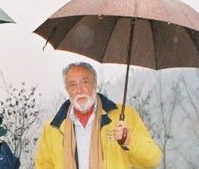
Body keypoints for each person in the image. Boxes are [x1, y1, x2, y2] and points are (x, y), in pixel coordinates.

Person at [34, 62, 162, 169]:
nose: (79, 90)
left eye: (85, 82)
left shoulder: (124, 116)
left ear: (95, 84)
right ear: (67, 89)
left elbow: (152, 159)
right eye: (72, 85)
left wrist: (129, 142)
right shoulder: (52, 128)